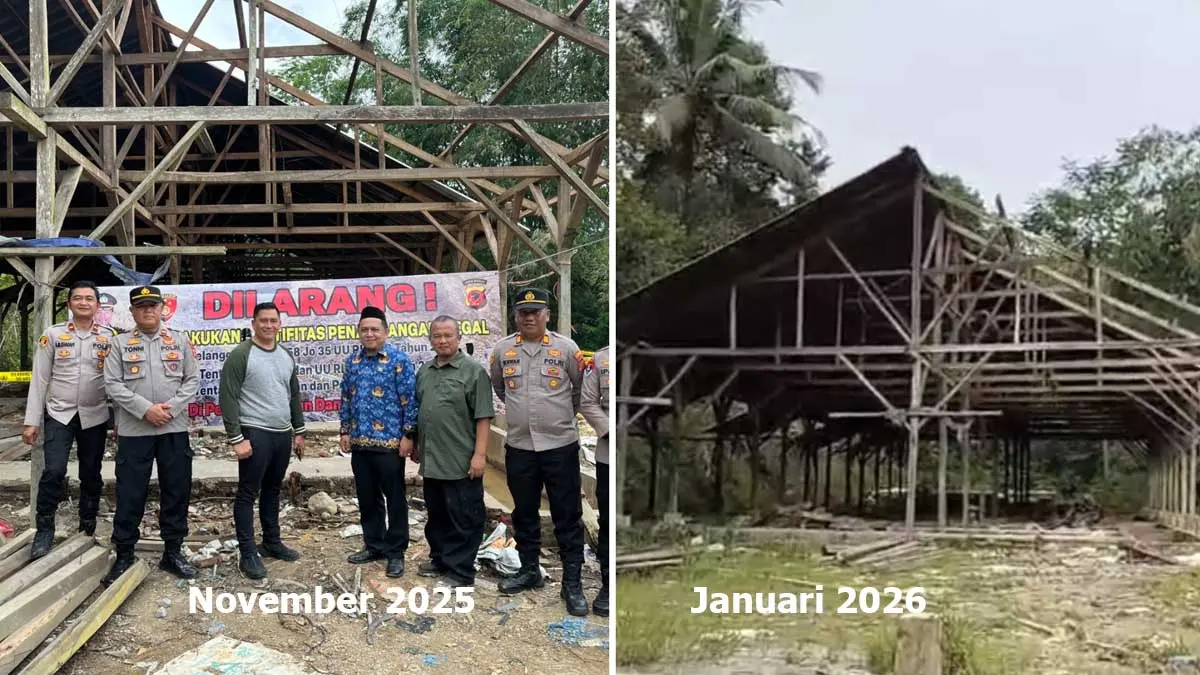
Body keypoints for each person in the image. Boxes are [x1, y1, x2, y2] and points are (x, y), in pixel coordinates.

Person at [488, 287, 588, 616]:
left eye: (536, 312)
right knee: (524, 512)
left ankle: (571, 583)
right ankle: (529, 570)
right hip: (520, 447)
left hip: (559, 446)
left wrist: (557, 418)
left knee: (567, 515)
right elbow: (500, 388)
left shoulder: (566, 349)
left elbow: (578, 392)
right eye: (523, 312)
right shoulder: (503, 351)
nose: (529, 317)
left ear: (547, 315)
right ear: (515, 316)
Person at [102, 285, 201, 585]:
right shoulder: (119, 344)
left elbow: (192, 379)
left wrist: (168, 409)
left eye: (153, 305)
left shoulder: (180, 340)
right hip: (135, 431)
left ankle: (172, 551)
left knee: (176, 490)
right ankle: (125, 555)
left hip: (173, 428)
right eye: (141, 306)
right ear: (132, 311)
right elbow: (112, 385)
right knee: (131, 492)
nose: (148, 310)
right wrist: (146, 410)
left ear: (162, 309)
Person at [22, 280, 117, 559]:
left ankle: (86, 528)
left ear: (98, 306)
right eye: (78, 298)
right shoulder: (53, 335)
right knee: (53, 471)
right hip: (59, 413)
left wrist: (121, 420)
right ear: (69, 304)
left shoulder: (109, 337)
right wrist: (32, 421)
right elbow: (39, 380)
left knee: (91, 472)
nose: (84, 302)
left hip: (95, 414)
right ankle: (44, 530)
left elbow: (117, 382)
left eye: (90, 298)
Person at [219, 302, 307, 580]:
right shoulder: (241, 354)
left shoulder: (285, 356)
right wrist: (236, 438)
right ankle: (248, 553)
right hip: (254, 432)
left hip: (281, 434)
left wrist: (299, 430)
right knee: (248, 493)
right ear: (254, 323)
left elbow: (293, 394)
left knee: (272, 490)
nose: (269, 325)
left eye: (274, 321)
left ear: (280, 324)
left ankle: (271, 541)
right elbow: (228, 396)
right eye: (263, 321)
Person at [413, 315, 493, 588]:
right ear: (430, 340)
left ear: (459, 338)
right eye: (437, 336)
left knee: (465, 517)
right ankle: (440, 560)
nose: (443, 340)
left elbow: (483, 417)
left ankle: (461, 571)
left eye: (448, 335)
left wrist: (480, 456)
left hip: (462, 461)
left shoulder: (473, 372)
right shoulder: (425, 371)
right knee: (437, 515)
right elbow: (421, 411)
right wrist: (417, 444)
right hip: (433, 460)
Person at [339, 306, 418, 578]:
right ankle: (374, 544)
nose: (369, 334)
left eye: (375, 329)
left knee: (395, 499)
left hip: (390, 444)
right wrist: (344, 431)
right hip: (360, 443)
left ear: (386, 332)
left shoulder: (399, 360)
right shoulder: (352, 362)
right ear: (358, 332)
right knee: (367, 497)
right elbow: (346, 398)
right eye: (364, 329)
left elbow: (409, 399)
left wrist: (409, 435)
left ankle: (395, 551)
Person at [579, 345, 610, 617]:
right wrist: (610, 431)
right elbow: (587, 401)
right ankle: (609, 584)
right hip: (610, 453)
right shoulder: (602, 358)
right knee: (610, 519)